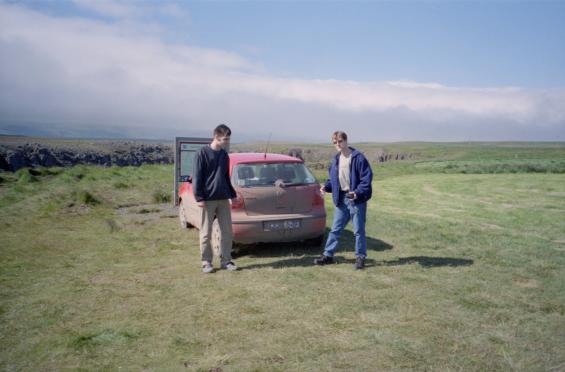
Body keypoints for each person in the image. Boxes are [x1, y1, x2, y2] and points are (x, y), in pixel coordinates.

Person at [314, 131, 373, 270]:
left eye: (340, 141)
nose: (337, 144)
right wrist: (326, 187)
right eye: (335, 142)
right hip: (341, 199)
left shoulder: (358, 158)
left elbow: (366, 179)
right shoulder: (336, 159)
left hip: (355, 200)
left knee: (358, 231)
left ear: (346, 141)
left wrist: (357, 193)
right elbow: (333, 180)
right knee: (335, 229)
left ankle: (360, 257)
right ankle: (328, 256)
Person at [193, 124, 238, 273]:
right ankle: (206, 262)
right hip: (207, 199)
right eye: (225, 139)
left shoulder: (224, 155)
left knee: (227, 232)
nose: (227, 141)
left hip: (223, 198)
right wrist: (199, 197)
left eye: (228, 139)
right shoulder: (202, 153)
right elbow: (197, 177)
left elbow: (225, 177)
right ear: (216, 137)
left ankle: (226, 261)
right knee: (206, 232)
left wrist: (232, 194)